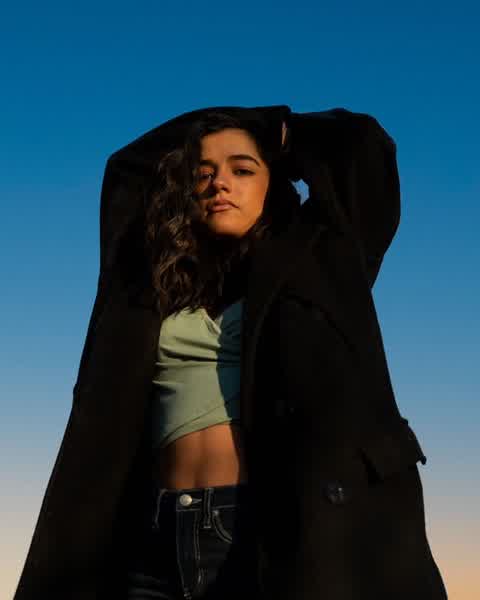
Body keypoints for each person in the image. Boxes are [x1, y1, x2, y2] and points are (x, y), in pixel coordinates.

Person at [13, 105, 448, 600]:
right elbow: (128, 167)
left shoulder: (324, 260)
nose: (220, 183)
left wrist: (276, 127)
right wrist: (217, 140)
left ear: (274, 180)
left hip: (263, 535)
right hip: (151, 537)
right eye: (203, 173)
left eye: (242, 170)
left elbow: (364, 150)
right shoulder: (146, 278)